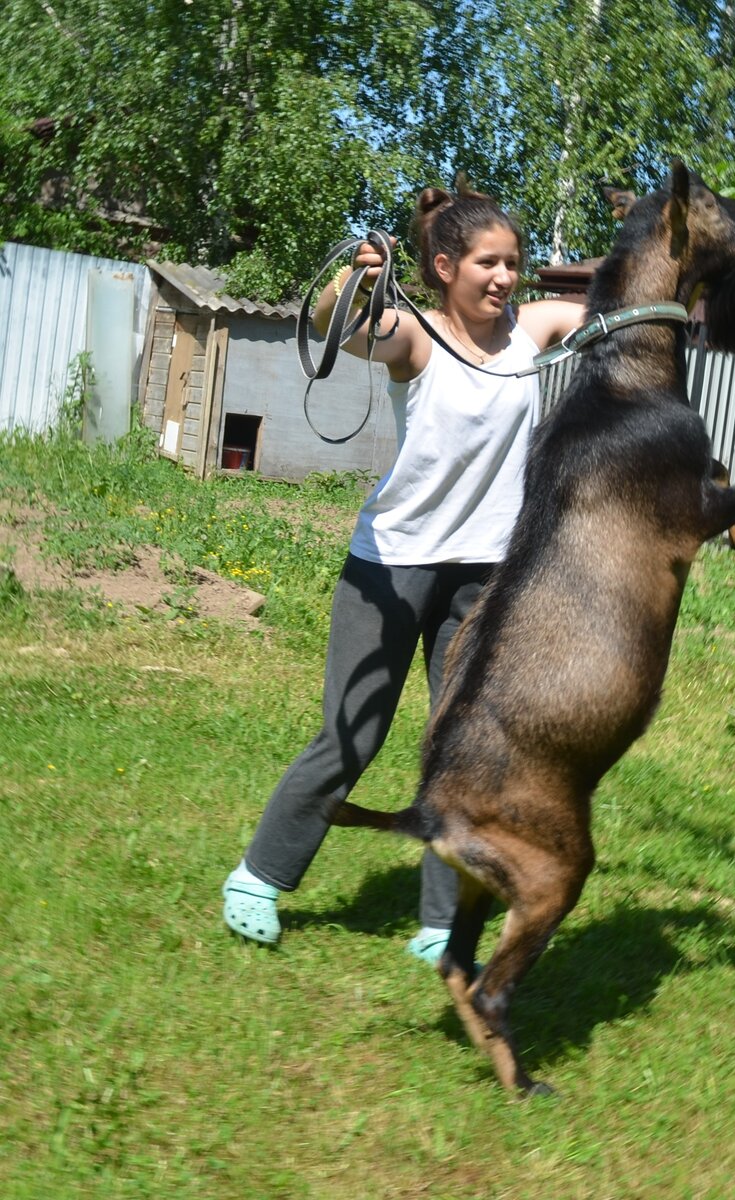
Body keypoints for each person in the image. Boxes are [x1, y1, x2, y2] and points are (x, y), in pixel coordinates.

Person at [222, 178, 581, 959]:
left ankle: (442, 919)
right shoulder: (412, 334)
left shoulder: (532, 330)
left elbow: (617, 311)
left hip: (483, 573)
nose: (506, 278)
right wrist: (351, 273)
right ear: (446, 266)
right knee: (353, 734)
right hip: (391, 567)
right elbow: (329, 324)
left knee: (466, 747)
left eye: (514, 263)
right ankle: (258, 874)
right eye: (489, 263)